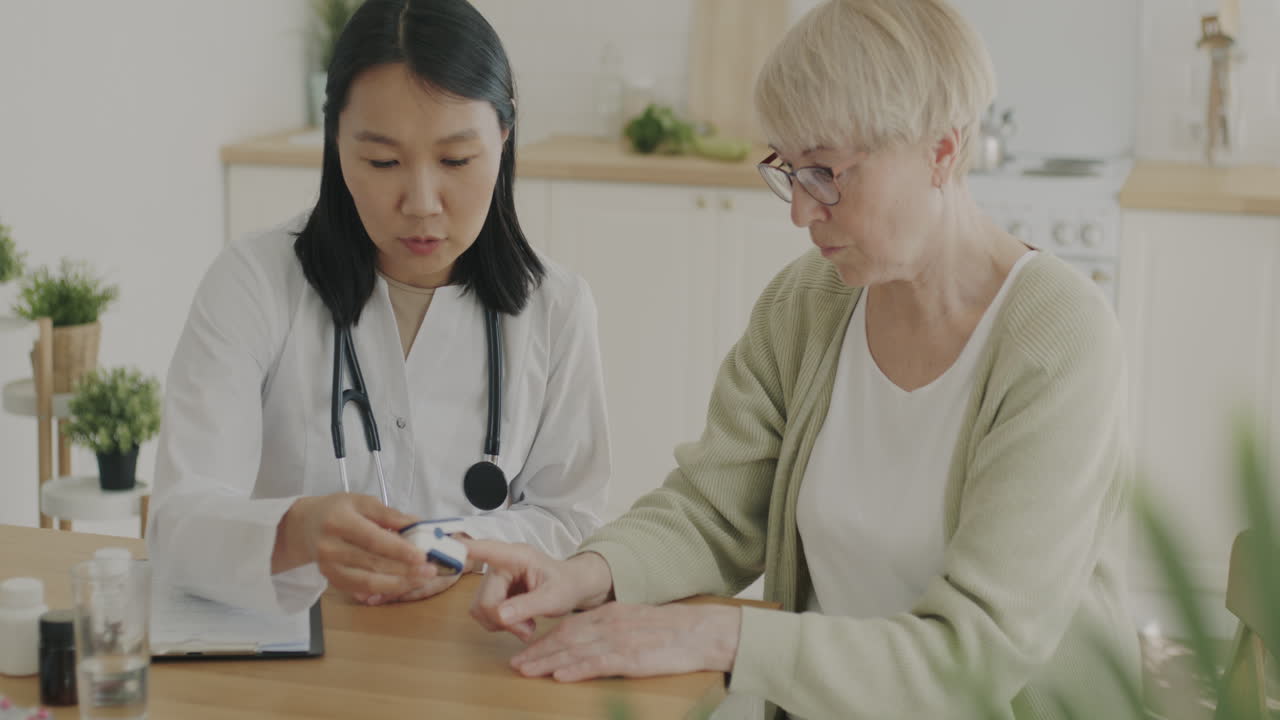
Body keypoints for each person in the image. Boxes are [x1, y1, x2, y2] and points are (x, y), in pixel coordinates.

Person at [462, 0, 1138, 718]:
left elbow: (974, 655)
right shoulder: (810, 301)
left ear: (941, 149)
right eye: (790, 169)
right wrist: (587, 572)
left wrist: (724, 633)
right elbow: (714, 509)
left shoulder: (1058, 338)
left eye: (827, 172)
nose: (799, 211)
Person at [147, 0, 609, 615]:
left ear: (504, 132)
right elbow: (176, 526)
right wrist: (296, 531)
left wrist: (458, 546)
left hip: (473, 653)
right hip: (296, 662)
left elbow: (572, 522)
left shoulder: (557, 307)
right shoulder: (254, 284)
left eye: (455, 161)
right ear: (335, 140)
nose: (420, 202)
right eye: (383, 162)